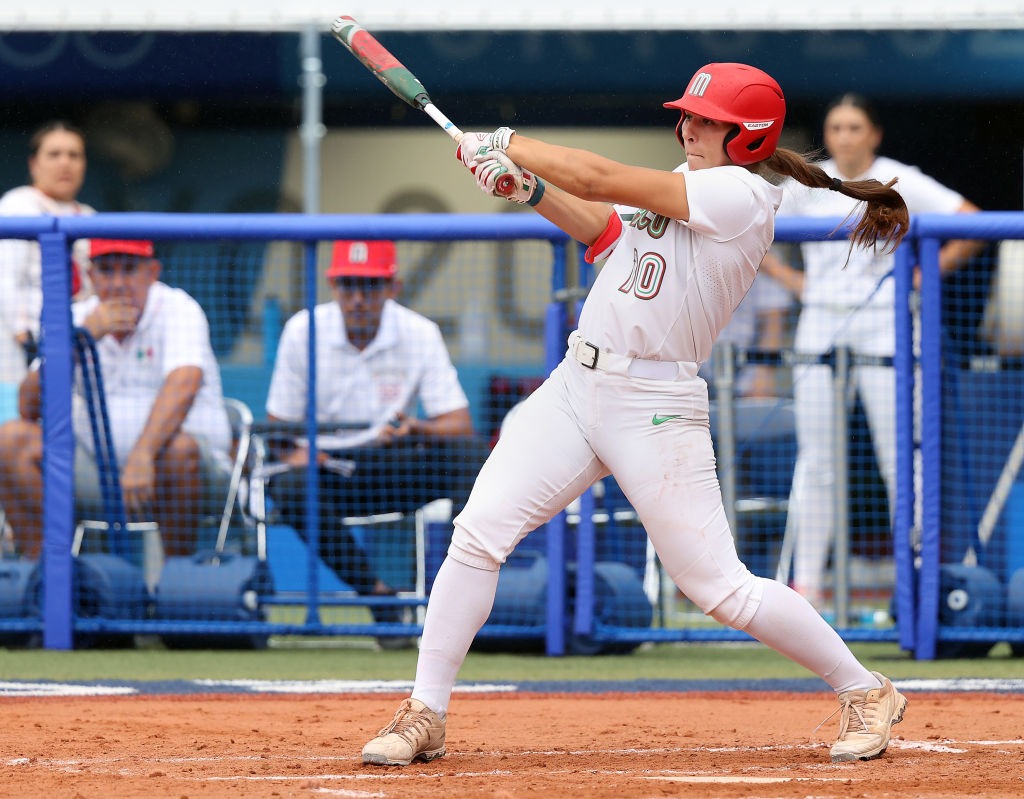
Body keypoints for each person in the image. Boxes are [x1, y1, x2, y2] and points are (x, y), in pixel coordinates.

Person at [361, 63, 911, 767]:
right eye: (689, 115)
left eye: (708, 120)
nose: (690, 127)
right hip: (575, 385)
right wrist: (525, 187)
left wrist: (505, 140)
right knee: (477, 535)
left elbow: (595, 178)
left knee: (718, 587)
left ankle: (864, 688)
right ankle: (425, 711)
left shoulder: (740, 195)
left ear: (749, 137)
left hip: (654, 403)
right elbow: (603, 233)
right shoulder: (690, 186)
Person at [758, 93, 983, 610]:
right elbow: (752, 225)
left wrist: (921, 276)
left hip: (887, 326)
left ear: (874, 134)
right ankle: (805, 591)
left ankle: (920, 588)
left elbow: (969, 219)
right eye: (836, 127)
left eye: (855, 127)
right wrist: (791, 280)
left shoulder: (897, 176)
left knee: (901, 456)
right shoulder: (806, 181)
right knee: (817, 460)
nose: (844, 136)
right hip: (820, 322)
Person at [263, 239, 490, 641]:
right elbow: (278, 426)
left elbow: (459, 423)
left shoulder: (420, 332)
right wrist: (298, 452)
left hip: (393, 465)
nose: (357, 298)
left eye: (368, 286)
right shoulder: (303, 329)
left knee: (470, 455)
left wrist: (417, 429)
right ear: (333, 286)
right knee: (287, 485)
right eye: (347, 285)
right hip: (329, 471)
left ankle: (453, 598)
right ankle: (377, 595)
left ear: (392, 287)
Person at [0, 239, 232, 560]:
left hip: (182, 473)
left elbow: (185, 382)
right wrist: (77, 344)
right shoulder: (78, 316)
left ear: (152, 272)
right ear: (92, 276)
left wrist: (143, 454)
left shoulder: (178, 308)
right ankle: (48, 583)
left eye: (130, 269)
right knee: (11, 439)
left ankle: (174, 589)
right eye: (107, 271)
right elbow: (28, 406)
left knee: (179, 452)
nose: (119, 283)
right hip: (97, 474)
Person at [0, 121, 95, 398]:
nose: (65, 163)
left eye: (74, 155)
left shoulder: (89, 216)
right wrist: (24, 336)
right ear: (34, 164)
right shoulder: (17, 206)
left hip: (74, 340)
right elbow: (5, 280)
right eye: (54, 155)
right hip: (17, 345)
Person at [698, 269, 794, 398]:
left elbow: (774, 318)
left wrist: (763, 373)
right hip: (690, 370)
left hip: (747, 368)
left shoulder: (759, 257)